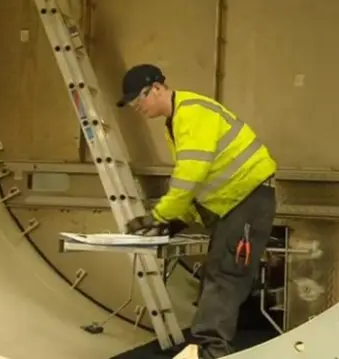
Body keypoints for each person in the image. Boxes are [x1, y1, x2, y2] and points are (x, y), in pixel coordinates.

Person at [116, 63, 277, 359]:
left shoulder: (192, 113)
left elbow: (189, 178)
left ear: (156, 88)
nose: (137, 107)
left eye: (138, 99)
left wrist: (159, 216)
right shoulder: (179, 119)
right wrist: (181, 220)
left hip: (246, 201)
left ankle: (210, 352)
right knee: (217, 274)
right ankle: (207, 347)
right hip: (235, 203)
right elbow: (202, 186)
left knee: (224, 275)